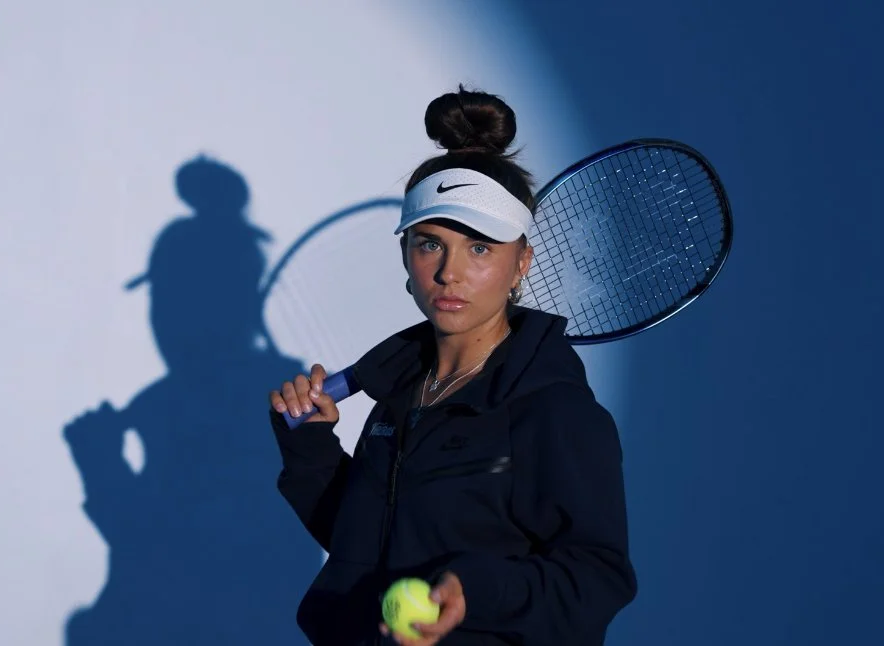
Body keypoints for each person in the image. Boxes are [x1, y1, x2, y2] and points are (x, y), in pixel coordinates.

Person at [268, 86, 637, 646]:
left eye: (479, 248)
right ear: (405, 255)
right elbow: (361, 547)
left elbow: (596, 579)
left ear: (522, 262)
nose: (449, 272)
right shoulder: (401, 395)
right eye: (429, 244)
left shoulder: (554, 411)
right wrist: (311, 448)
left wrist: (478, 591)